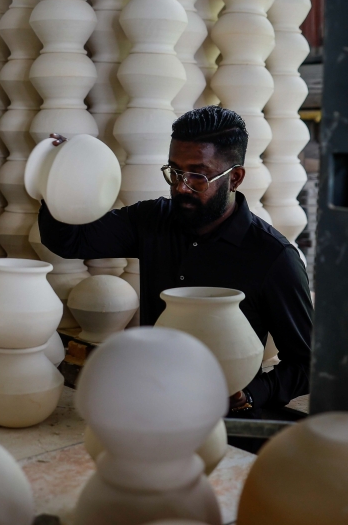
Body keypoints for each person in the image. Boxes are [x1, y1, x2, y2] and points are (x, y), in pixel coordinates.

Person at [38, 106, 313, 419]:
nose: (181, 187)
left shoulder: (273, 256)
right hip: (154, 397)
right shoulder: (152, 219)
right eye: (175, 172)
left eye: (198, 176)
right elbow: (69, 241)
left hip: (222, 415)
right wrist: (58, 177)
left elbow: (307, 363)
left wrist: (250, 395)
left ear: (234, 178)